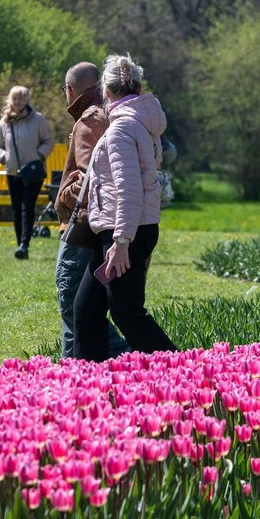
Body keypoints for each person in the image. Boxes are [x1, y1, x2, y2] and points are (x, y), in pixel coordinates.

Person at [73, 54, 177, 362]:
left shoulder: (121, 130)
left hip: (125, 232)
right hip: (121, 229)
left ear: (105, 92)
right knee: (86, 308)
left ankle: (183, 371)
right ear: (139, 87)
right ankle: (87, 383)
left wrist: (121, 243)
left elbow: (129, 191)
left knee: (126, 312)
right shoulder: (142, 122)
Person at [55, 62, 129, 360]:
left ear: (70, 90)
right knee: (82, 310)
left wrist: (63, 197)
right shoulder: (116, 113)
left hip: (83, 229)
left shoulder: (88, 120)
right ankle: (75, 374)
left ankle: (132, 360)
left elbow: (91, 180)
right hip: (112, 228)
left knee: (73, 306)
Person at [0, 86, 55, 259]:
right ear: (10, 100)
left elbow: (48, 141)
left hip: (33, 172)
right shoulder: (5, 121)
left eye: (21, 98)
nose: (18, 101)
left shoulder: (38, 119)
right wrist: (5, 157)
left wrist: (39, 155)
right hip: (13, 172)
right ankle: (21, 245)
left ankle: (24, 245)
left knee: (27, 207)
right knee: (17, 209)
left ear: (27, 100)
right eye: (15, 98)